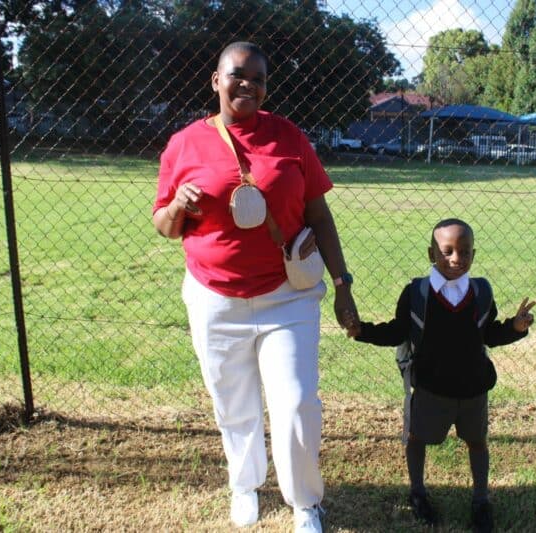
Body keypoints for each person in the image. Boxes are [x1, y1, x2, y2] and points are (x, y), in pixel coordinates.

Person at [152, 41, 359, 533]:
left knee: (297, 402)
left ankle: (304, 502)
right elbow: (164, 224)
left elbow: (319, 215)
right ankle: (244, 485)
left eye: (259, 78)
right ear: (216, 80)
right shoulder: (185, 144)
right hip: (215, 298)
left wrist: (342, 284)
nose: (248, 84)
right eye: (238, 74)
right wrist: (178, 206)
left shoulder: (289, 137)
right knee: (233, 402)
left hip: (287, 297)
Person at [346, 218, 535, 532]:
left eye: (464, 251)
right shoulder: (417, 293)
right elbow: (397, 332)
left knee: (478, 442)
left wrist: (515, 328)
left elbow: (488, 334)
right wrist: (362, 331)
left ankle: (481, 500)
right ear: (431, 253)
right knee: (418, 438)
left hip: (474, 389)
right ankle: (418, 493)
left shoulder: (481, 291)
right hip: (432, 389)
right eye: (447, 251)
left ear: (473, 254)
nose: (456, 258)